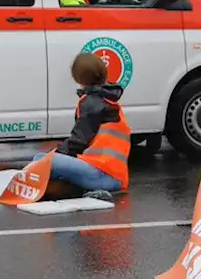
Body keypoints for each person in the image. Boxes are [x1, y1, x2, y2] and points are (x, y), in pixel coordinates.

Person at [35, 52, 131, 201]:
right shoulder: (108, 98)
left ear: (78, 78)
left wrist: (53, 154)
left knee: (40, 160)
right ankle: (81, 189)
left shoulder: (91, 102)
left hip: (101, 175)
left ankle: (93, 189)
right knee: (55, 163)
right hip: (115, 176)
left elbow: (78, 141)